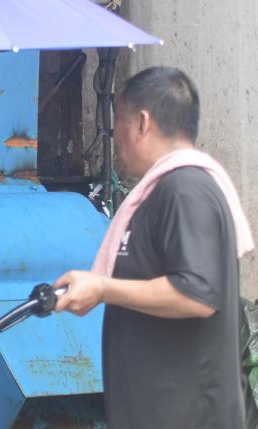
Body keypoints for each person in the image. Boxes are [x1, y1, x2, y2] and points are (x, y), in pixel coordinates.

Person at [54, 67, 254, 429]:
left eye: (119, 123)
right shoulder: (163, 191)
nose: (116, 140)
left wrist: (102, 288)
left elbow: (197, 294)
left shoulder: (186, 190)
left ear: (142, 123)